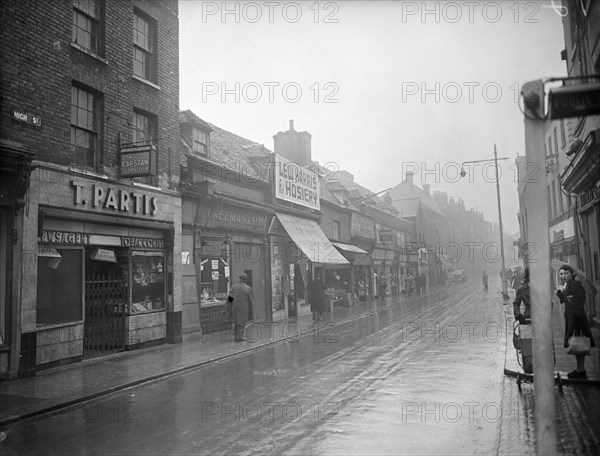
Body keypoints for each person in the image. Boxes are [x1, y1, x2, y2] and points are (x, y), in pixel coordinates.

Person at [556, 264, 596, 379]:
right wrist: (560, 295)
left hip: (577, 319)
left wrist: (577, 321)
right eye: (561, 274)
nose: (563, 276)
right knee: (575, 344)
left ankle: (581, 369)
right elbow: (567, 301)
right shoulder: (568, 284)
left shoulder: (576, 284)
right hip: (571, 318)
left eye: (566, 273)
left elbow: (579, 302)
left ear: (571, 273)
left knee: (579, 343)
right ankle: (580, 369)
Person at [227, 273, 253, 342]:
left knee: (236, 322)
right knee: (242, 323)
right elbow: (250, 301)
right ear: (245, 280)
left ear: (240, 279)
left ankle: (236, 336)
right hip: (244, 308)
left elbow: (230, 297)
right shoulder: (248, 288)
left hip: (234, 307)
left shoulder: (234, 287)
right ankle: (240, 337)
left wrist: (229, 306)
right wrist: (250, 309)